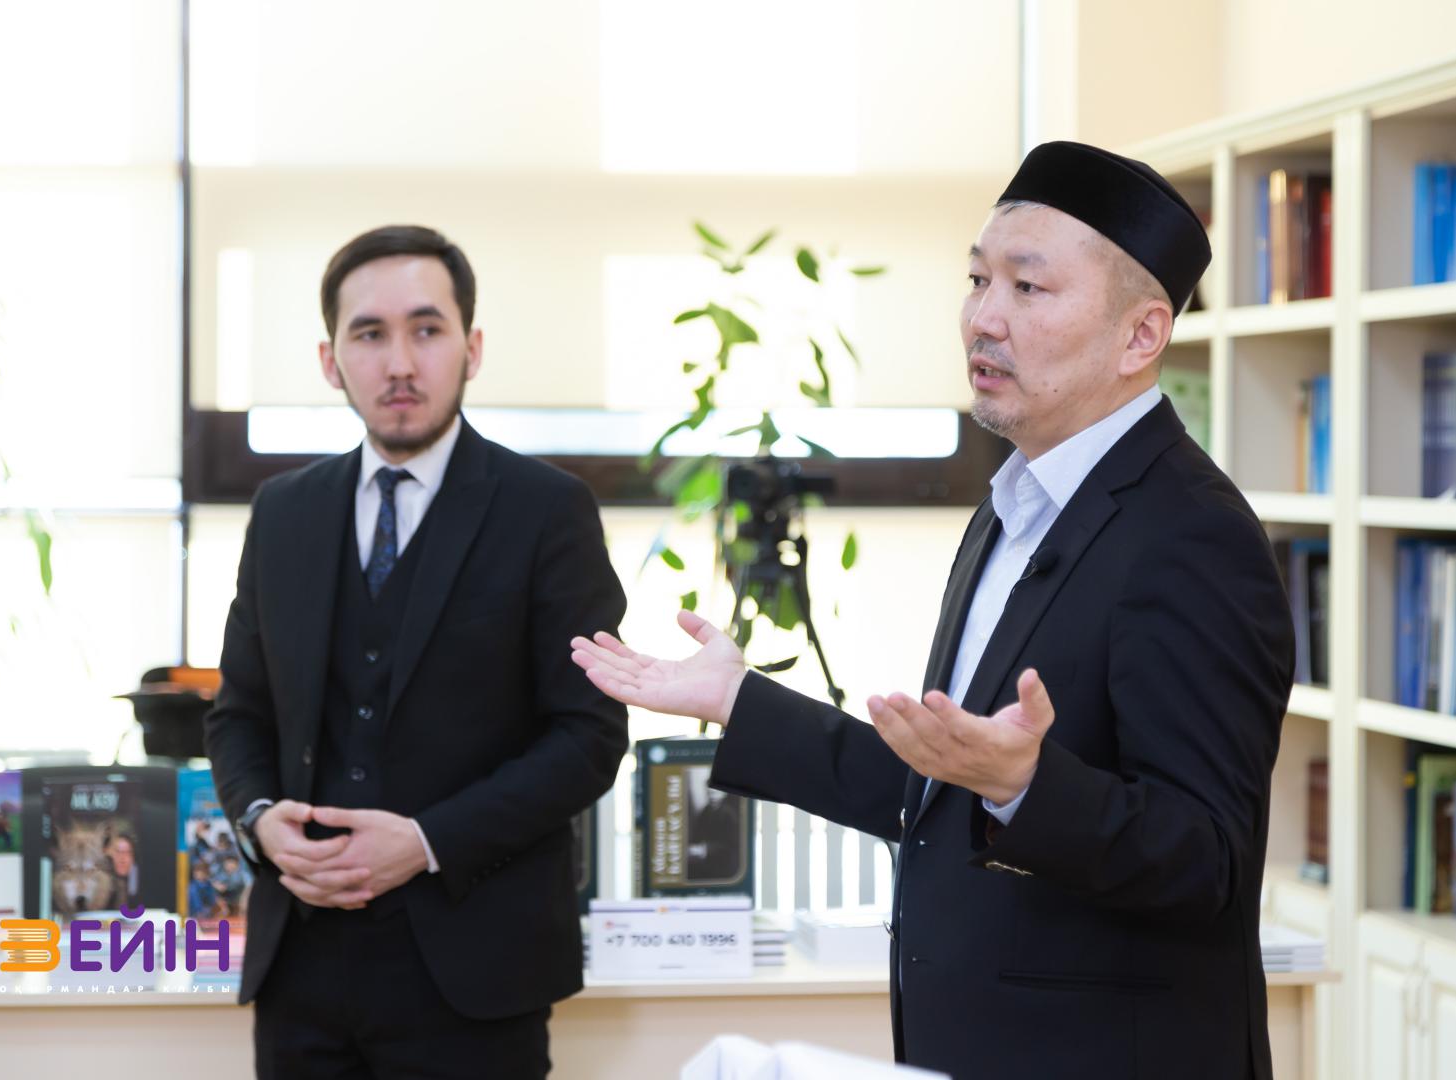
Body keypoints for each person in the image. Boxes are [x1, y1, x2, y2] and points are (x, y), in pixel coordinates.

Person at [571, 142, 1294, 1079]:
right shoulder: (1012, 506)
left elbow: (1208, 864)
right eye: (977, 279)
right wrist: (738, 701)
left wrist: (1026, 787)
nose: (984, 318)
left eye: (1028, 288)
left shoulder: (1193, 535)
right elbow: (939, 792)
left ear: (1140, 336)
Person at [205, 224, 628, 1079]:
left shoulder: (547, 511)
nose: (400, 362)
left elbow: (588, 735)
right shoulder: (283, 512)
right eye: (370, 334)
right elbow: (238, 715)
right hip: (300, 971)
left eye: (426, 330)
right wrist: (258, 819)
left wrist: (429, 840)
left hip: (477, 971)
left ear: (472, 348)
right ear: (330, 360)